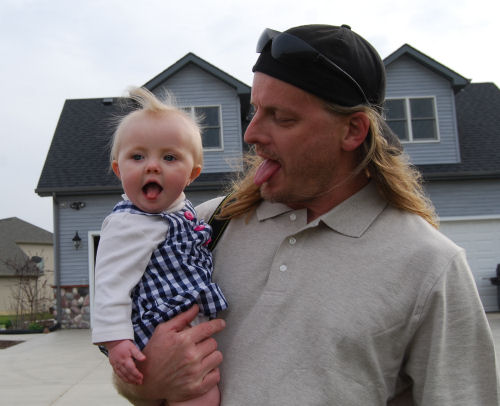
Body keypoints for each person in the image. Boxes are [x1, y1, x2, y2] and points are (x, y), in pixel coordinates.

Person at [115, 25, 500, 405]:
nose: (251, 134)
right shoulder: (204, 226)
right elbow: (131, 363)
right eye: (255, 110)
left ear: (352, 130)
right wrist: (146, 383)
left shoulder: (430, 265)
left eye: (282, 117)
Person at [91, 87, 228, 406]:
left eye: (169, 157)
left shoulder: (184, 213)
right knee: (202, 396)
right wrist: (116, 342)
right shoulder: (127, 223)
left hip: (185, 330)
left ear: (192, 173)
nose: (152, 166)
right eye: (138, 157)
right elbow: (110, 285)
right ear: (118, 170)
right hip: (155, 328)